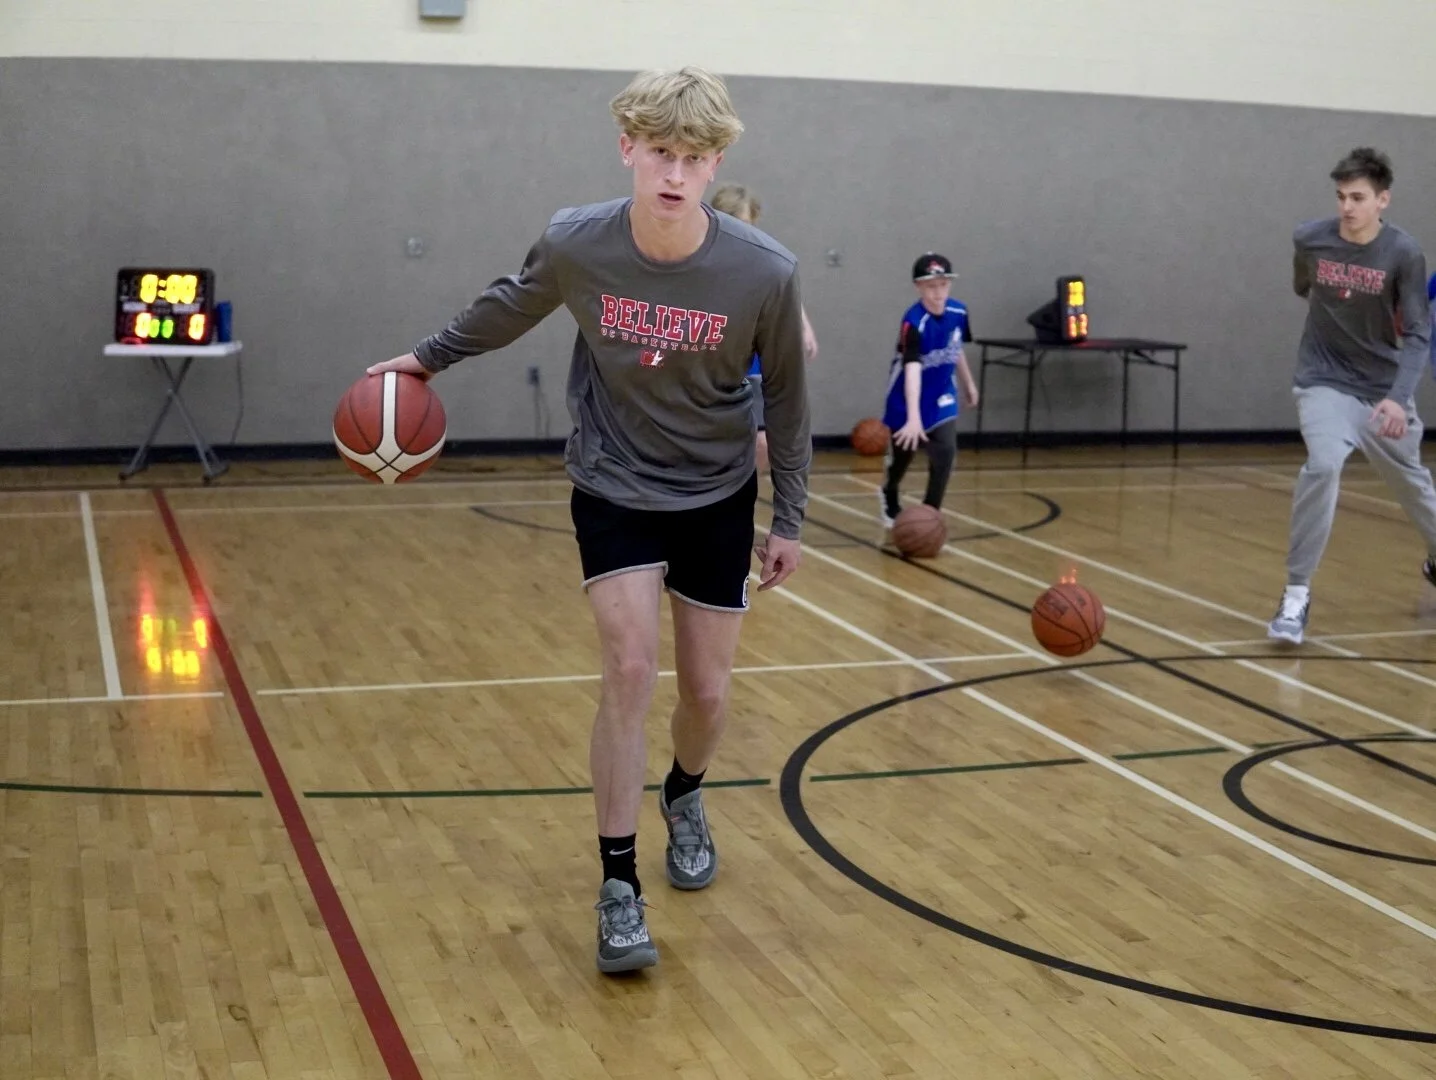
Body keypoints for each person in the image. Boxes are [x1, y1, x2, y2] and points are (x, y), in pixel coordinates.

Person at [365, 67, 812, 972]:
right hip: (613, 481)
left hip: (717, 491)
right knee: (628, 667)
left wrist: (790, 516)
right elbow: (507, 305)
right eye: (659, 154)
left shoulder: (764, 272)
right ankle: (618, 886)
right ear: (628, 149)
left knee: (708, 694)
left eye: (693, 158)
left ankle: (684, 793)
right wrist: (421, 363)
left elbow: (793, 404)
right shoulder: (580, 243)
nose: (675, 174)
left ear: (716, 159)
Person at [1267, 147, 1436, 644]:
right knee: (1322, 465)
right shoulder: (1311, 240)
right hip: (1323, 379)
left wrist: (1397, 397)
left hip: (1383, 390)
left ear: (1382, 200)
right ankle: (1295, 596)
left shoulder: (1403, 253)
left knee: (1413, 487)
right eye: (1341, 196)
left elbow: (1419, 335)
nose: (1347, 207)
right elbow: (1304, 287)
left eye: (1358, 197)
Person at [707, 182, 819, 470]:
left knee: (763, 442)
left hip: (754, 361)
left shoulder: (763, 257)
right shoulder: (703, 256)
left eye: (742, 223)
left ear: (753, 222)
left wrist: (803, 327)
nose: (736, 230)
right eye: (729, 221)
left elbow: (784, 289)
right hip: (714, 361)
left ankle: (745, 491)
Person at [879, 252, 979, 527]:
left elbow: (955, 349)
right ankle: (889, 490)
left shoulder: (959, 312)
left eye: (943, 285)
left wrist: (969, 384)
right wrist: (913, 418)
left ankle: (929, 514)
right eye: (932, 286)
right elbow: (912, 369)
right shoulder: (913, 322)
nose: (938, 292)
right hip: (906, 397)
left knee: (945, 451)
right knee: (904, 454)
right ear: (919, 287)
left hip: (942, 394)